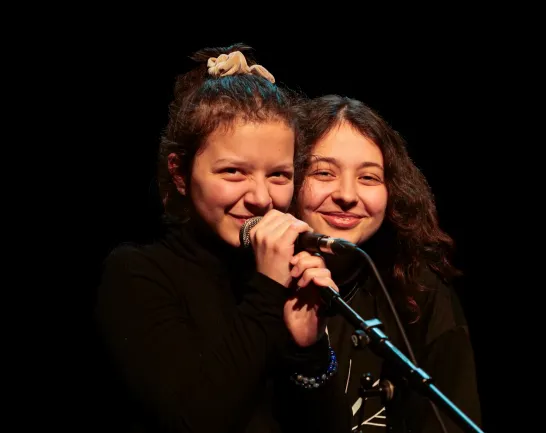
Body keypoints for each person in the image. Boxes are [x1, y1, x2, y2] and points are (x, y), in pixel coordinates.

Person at [94, 44, 351, 433]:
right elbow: (194, 419)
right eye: (233, 172)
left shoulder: (288, 276)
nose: (262, 198)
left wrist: (310, 351)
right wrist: (265, 290)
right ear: (180, 174)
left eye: (279, 175)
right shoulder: (138, 273)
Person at [292, 95, 482, 433]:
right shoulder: (254, 283)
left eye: (368, 178)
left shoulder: (419, 289)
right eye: (324, 172)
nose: (347, 195)